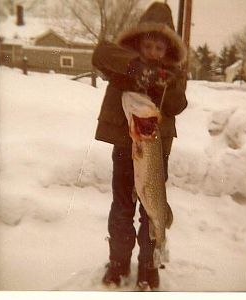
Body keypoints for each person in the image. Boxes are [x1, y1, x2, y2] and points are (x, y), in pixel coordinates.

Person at [92, 2, 187, 290]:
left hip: (155, 148)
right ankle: (119, 263)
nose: (153, 52)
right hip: (126, 146)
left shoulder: (174, 72)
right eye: (148, 45)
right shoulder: (125, 61)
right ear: (139, 42)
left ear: (167, 49)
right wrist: (138, 69)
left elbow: (178, 104)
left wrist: (164, 85)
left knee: (152, 210)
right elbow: (100, 53)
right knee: (122, 206)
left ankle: (149, 265)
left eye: (159, 48)